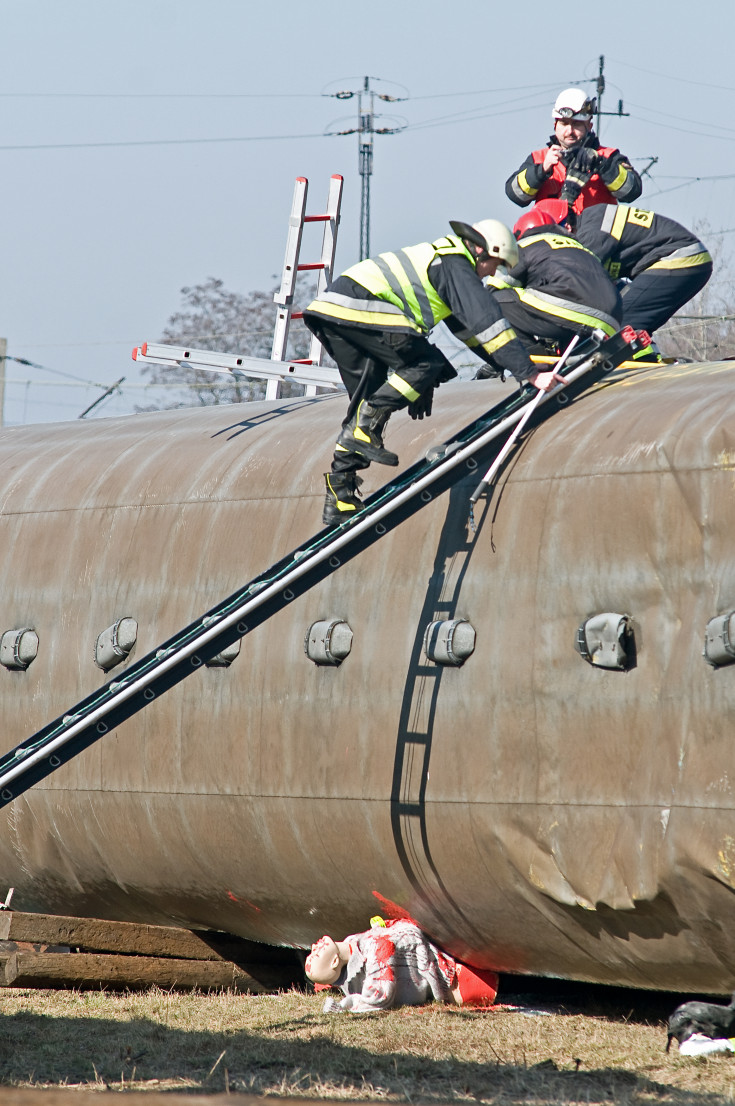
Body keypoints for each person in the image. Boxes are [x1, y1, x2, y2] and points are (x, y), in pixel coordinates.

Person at [304, 220, 562, 526]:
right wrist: (530, 373)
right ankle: (366, 428)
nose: (494, 273)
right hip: (360, 304)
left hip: (334, 311)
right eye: (496, 264)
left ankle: (340, 497)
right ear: (481, 250)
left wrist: (505, 362)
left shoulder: (444, 260)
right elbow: (488, 323)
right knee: (426, 364)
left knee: (367, 400)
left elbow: (470, 333)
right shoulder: (456, 266)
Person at [537, 199, 712, 346]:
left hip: (677, 259)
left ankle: (640, 367)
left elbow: (575, 287)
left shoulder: (590, 237)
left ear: (566, 226)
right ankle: (647, 359)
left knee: (615, 324)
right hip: (684, 260)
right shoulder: (589, 225)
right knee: (628, 320)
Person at [481, 207, 622, 367]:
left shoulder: (523, 246)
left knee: (494, 302)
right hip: (613, 319)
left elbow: (492, 290)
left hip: (576, 312)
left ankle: (539, 363)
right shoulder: (578, 247)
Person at [304, 918, 499, 1013]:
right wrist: (346, 1006)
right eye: (317, 953)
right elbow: (378, 997)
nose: (314, 946)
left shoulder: (353, 946)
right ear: (335, 962)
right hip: (457, 980)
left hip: (444, 964)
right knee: (495, 987)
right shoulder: (376, 949)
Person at [505, 88, 643, 215]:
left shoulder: (609, 156)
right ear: (555, 125)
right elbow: (515, 194)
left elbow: (632, 192)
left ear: (589, 126)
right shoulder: (539, 158)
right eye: (564, 123)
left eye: (576, 124)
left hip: (596, 240)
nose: (569, 131)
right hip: (552, 239)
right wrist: (542, 170)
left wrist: (603, 165)